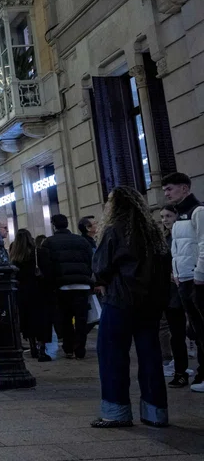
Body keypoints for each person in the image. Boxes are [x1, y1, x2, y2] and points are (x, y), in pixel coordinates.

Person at [91, 186, 170, 428]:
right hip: (150, 303)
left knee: (112, 355)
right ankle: (155, 412)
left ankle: (116, 412)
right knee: (150, 355)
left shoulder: (114, 230)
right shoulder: (153, 233)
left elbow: (101, 267)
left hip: (120, 300)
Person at [161, 172, 204, 391]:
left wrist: (199, 275)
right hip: (183, 281)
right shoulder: (181, 215)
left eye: (169, 188)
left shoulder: (198, 211)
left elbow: (203, 245)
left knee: (200, 329)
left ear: (184, 188)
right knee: (196, 329)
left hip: (196, 280)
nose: (166, 193)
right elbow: (179, 251)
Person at [44, 214, 94, 360]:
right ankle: (80, 349)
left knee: (65, 319)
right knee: (81, 319)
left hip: (62, 287)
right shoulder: (81, 241)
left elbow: (48, 266)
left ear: (54, 225)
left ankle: (68, 349)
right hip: (82, 286)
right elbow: (90, 260)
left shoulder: (49, 242)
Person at [10, 229, 54, 361]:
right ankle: (42, 349)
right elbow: (49, 273)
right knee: (43, 321)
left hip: (23, 293)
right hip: (40, 292)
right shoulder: (41, 253)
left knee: (28, 320)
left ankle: (32, 345)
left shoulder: (15, 257)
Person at [160, 205, 191, 388]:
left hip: (186, 287)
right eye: (162, 216)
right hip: (171, 293)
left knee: (192, 331)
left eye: (168, 215)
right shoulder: (163, 239)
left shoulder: (184, 235)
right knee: (176, 334)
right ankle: (180, 372)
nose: (165, 219)